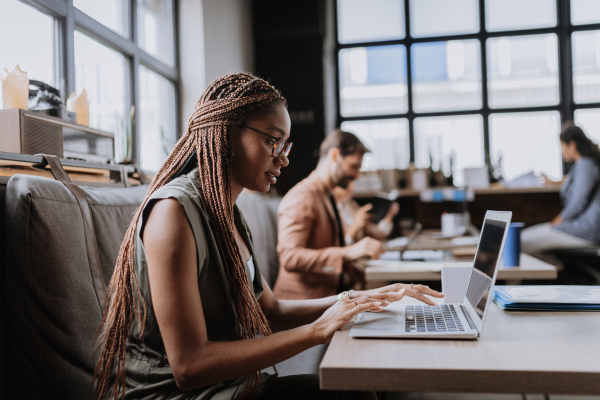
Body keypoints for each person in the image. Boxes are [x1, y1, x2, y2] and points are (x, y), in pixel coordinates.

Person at [93, 73, 444, 400]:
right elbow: (188, 365)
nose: (284, 159)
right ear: (227, 132)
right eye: (273, 141)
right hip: (177, 393)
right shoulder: (173, 212)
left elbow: (270, 311)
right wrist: (317, 331)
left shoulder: (228, 211)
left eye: (285, 145)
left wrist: (361, 298)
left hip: (232, 386)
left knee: (358, 388)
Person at [274, 129, 386, 300]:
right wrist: (347, 253)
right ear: (335, 156)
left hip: (326, 301)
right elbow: (290, 258)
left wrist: (353, 269)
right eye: (354, 166)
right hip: (301, 308)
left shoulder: (327, 195)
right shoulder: (303, 196)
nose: (356, 175)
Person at [522, 122, 600, 257]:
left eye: (562, 146)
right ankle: (557, 269)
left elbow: (578, 203)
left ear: (572, 146)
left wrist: (557, 221)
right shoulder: (584, 164)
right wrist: (553, 182)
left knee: (521, 243)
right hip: (581, 226)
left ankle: (555, 271)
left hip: (588, 229)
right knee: (523, 238)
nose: (561, 151)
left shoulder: (586, 165)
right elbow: (572, 180)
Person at [332, 181, 400, 245]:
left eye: (352, 182)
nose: (352, 187)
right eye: (346, 183)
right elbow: (339, 246)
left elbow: (374, 232)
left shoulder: (352, 205)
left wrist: (389, 215)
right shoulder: (331, 210)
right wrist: (355, 226)